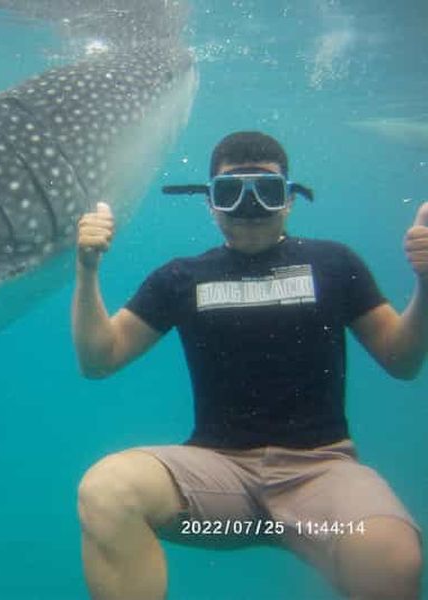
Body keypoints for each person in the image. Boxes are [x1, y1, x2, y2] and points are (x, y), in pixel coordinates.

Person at [72, 131, 426, 600]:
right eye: (230, 192)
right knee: (107, 490)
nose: (250, 206)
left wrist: (426, 283)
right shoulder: (180, 278)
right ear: (210, 204)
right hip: (217, 486)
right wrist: (87, 269)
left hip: (322, 477)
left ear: (290, 200)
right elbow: (99, 360)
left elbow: (401, 360)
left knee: (389, 557)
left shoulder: (334, 263)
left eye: (268, 190)